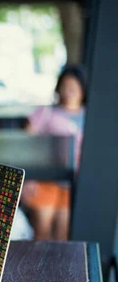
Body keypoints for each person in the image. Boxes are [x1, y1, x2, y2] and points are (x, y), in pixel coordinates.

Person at [22, 64, 87, 240]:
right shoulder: (45, 113)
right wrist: (28, 178)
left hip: (73, 184)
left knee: (63, 236)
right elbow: (25, 144)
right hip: (45, 181)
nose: (70, 91)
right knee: (41, 233)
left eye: (74, 87)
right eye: (66, 86)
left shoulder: (90, 115)